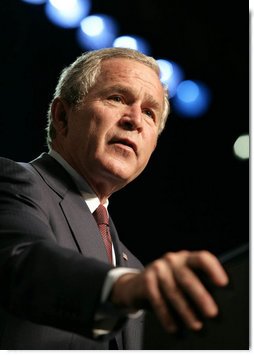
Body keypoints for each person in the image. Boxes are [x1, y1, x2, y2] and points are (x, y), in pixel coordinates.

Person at [0, 47, 228, 350]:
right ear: (62, 116)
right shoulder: (13, 181)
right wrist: (121, 287)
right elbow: (22, 263)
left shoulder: (134, 268)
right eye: (117, 98)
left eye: (150, 112)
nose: (135, 120)